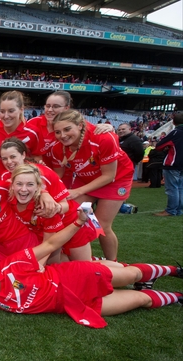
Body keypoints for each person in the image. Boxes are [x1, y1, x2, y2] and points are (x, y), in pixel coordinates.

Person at [0, 208, 183, 328]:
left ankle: (173, 269)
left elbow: (48, 248)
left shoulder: (11, 264)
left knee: (132, 274)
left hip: (76, 276)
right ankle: (177, 298)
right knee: (140, 298)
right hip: (69, 305)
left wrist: (75, 223)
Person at [49, 109, 134, 261]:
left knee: (101, 225)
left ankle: (113, 264)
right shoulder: (57, 148)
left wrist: (77, 191)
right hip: (87, 179)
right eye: (58, 132)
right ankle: (75, 257)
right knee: (69, 216)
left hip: (116, 179)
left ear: (80, 125)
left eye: (67, 129)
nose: (62, 135)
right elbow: (58, 176)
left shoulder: (103, 138)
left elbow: (109, 176)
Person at [8, 164, 95, 263]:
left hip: (71, 222)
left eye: (30, 184)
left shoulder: (45, 207)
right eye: (19, 184)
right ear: (12, 184)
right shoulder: (8, 191)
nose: (23, 189)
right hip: (50, 232)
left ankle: (110, 265)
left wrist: (38, 266)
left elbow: (48, 245)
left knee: (85, 266)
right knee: (56, 265)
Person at [0, 91, 42, 179]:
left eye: (11, 111)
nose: (6, 116)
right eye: (2, 111)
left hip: (20, 180)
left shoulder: (32, 133)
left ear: (21, 109)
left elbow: (37, 159)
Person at [154, 112, 183, 216]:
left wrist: (167, 148)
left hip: (173, 163)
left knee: (172, 188)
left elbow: (159, 146)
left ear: (174, 122)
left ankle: (171, 210)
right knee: (180, 188)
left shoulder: (175, 132)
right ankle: (178, 210)